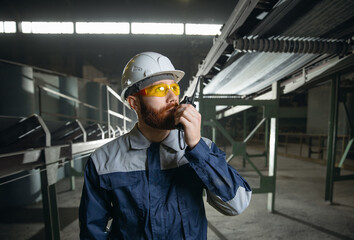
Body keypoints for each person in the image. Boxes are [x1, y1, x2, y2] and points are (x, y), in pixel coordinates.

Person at [79, 52, 252, 239]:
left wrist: (196, 147)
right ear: (134, 103)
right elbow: (92, 232)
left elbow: (237, 204)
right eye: (159, 90)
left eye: (175, 88)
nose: (172, 98)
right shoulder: (103, 160)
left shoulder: (202, 149)